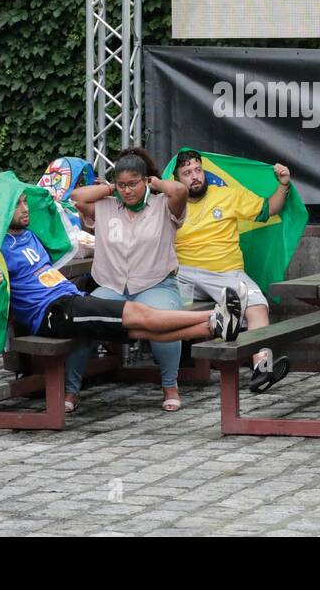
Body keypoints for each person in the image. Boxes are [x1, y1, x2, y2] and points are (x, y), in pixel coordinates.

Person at [0, 192, 236, 375]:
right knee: (140, 314)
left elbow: (59, 209)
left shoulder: (29, 234)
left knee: (140, 329)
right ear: (2, 211)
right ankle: (215, 315)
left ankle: (213, 328)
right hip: (54, 313)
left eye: (25, 201)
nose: (25, 208)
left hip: (71, 299)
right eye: (18, 203)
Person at [68, 147, 224, 413]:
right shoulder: (106, 206)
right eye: (122, 185)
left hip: (156, 284)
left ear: (146, 181)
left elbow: (180, 192)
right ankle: (71, 390)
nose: (127, 190)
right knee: (84, 321)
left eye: (133, 184)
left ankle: (169, 386)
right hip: (112, 287)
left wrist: (157, 183)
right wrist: (109, 189)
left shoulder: (164, 204)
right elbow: (76, 196)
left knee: (161, 319)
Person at [172, 150, 292, 393]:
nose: (194, 177)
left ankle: (262, 370)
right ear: (177, 180)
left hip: (226, 272)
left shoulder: (227, 195)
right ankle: (174, 371)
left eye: (198, 170)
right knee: (160, 302)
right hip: (182, 273)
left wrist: (283, 185)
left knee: (258, 307)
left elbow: (269, 209)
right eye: (187, 173)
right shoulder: (171, 201)